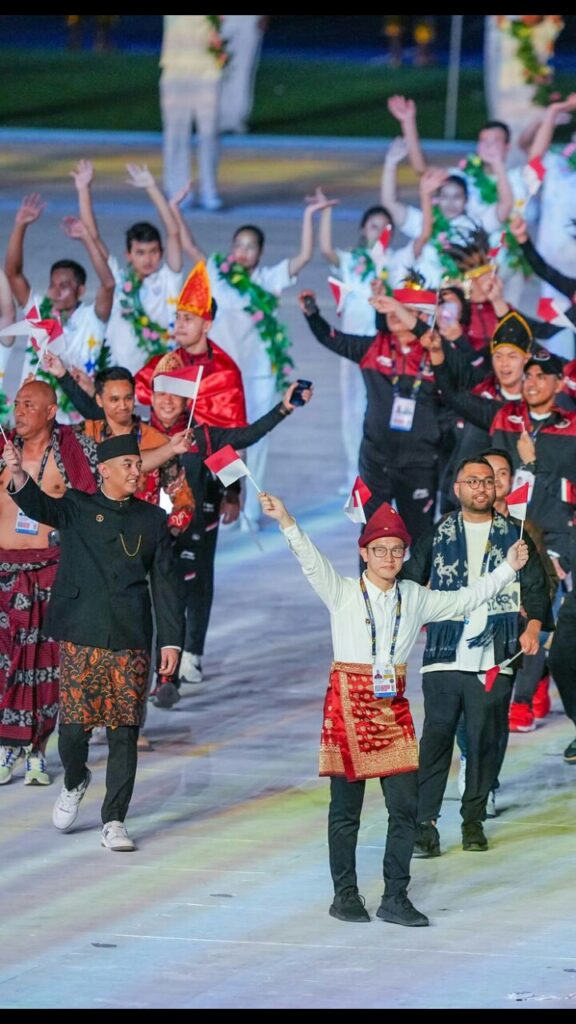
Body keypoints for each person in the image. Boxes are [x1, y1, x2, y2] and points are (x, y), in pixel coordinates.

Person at [259, 491, 528, 925]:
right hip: (347, 707)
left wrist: (507, 569)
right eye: (379, 550)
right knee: (345, 811)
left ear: (405, 554)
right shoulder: (342, 592)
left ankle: (395, 896)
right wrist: (287, 518)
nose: (388, 557)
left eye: (396, 550)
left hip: (392, 709)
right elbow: (309, 557)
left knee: (406, 808)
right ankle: (345, 894)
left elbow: (464, 599)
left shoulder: (414, 596)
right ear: (364, 552)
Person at [4, 432, 183, 851]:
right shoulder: (78, 508)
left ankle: (115, 819)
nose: (136, 471)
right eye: (128, 465)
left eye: (138, 464)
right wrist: (16, 472)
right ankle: (74, 779)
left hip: (129, 637)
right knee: (73, 731)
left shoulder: (152, 520)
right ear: (103, 470)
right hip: (82, 634)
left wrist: (172, 641)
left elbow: (167, 585)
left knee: (124, 729)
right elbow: (38, 505)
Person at [140, 350, 312, 700]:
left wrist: (284, 408)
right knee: (144, 607)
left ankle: (170, 676)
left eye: (176, 393)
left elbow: (246, 437)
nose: (167, 402)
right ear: (151, 396)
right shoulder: (136, 433)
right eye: (161, 393)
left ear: (188, 398)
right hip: (143, 537)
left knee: (176, 601)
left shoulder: (201, 437)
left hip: (188, 533)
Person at [402, 456, 551, 856]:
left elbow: (537, 588)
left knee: (485, 740)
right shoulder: (440, 532)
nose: (481, 488)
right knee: (435, 739)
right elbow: (410, 582)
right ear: (457, 488)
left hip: (495, 656)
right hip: (443, 654)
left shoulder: (513, 535)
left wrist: (534, 626)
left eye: (488, 481)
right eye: (473, 481)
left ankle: (473, 821)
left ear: (496, 489)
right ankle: (425, 825)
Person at [170, 195, 329, 527]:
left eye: (251, 246)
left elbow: (303, 257)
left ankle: (252, 511)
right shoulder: (215, 271)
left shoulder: (267, 280)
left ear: (260, 253)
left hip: (257, 375)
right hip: (220, 377)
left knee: (255, 442)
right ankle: (223, 499)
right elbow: (189, 246)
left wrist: (310, 215)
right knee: (216, 440)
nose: (243, 251)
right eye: (238, 245)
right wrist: (174, 208)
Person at [0, 379, 98, 787]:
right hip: (4, 572)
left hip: (51, 572)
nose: (19, 412)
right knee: (5, 665)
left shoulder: (70, 449)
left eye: (29, 405)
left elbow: (92, 503)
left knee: (45, 665)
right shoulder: (3, 448)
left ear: (50, 410)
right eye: (17, 404)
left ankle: (38, 750)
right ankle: (7, 746)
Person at [300, 286, 449, 540]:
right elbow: (331, 338)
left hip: (419, 465)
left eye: (400, 309)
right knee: (372, 535)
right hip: (375, 462)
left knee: (420, 540)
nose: (391, 314)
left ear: (422, 317)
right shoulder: (373, 347)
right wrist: (313, 314)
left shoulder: (436, 354)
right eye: (389, 308)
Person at [4, 193, 115, 421]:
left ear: (81, 290)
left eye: (64, 285)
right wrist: (20, 225)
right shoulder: (38, 313)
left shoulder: (92, 319)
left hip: (77, 421)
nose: (55, 291)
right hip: (36, 421)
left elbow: (109, 283)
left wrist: (86, 238)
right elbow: (13, 274)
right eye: (52, 285)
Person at [316, 193, 396, 492]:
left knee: (379, 406)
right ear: (363, 229)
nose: (378, 230)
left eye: (385, 227)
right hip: (352, 347)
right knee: (351, 408)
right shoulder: (351, 260)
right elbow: (325, 250)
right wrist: (325, 213)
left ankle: (380, 471)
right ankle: (355, 471)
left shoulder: (394, 263)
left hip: (383, 346)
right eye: (373, 225)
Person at [73, 159, 183, 373]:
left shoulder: (169, 280)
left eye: (153, 252)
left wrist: (151, 187)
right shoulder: (116, 280)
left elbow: (174, 233)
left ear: (160, 253)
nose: (147, 259)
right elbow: (93, 237)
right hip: (119, 382)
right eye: (140, 253)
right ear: (128, 255)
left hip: (161, 379)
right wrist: (83, 190)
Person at [160, 15, 227, 211]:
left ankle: (209, 189)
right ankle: (179, 190)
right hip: (175, 69)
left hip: (208, 70)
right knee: (176, 133)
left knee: (209, 133)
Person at [219, 15, 268, 134]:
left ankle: (236, 119)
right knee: (219, 69)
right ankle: (219, 116)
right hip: (223, 20)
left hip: (249, 20)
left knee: (243, 68)